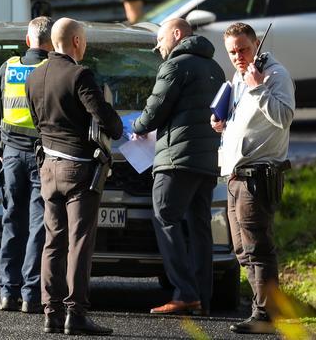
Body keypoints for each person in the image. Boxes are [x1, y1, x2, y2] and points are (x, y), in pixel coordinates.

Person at [25, 18, 122, 336]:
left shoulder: (34, 76)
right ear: (78, 42)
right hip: (79, 169)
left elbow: (37, 121)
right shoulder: (80, 75)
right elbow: (107, 121)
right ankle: (75, 314)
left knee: (52, 241)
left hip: (48, 168)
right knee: (79, 242)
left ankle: (50, 314)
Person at [132, 18, 224, 315]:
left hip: (176, 160)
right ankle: (202, 297)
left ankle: (184, 292)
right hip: (206, 161)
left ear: (176, 34)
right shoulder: (215, 68)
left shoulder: (175, 65)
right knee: (200, 227)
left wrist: (137, 126)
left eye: (160, 40)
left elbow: (155, 110)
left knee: (165, 217)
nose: (158, 47)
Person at [211, 23, 294, 335]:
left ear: (257, 43)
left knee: (258, 247)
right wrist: (224, 124)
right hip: (234, 175)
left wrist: (258, 87)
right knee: (242, 250)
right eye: (232, 51)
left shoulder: (275, 75)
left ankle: (265, 314)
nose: (238, 56)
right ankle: (270, 303)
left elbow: (284, 117)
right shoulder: (240, 75)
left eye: (243, 49)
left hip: (257, 175)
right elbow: (247, 118)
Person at [0, 16, 53, 314]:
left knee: (12, 220)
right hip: (42, 155)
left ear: (28, 41)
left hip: (11, 154)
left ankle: (7, 293)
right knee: (38, 225)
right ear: (51, 43)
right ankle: (30, 295)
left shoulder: (9, 67)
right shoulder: (51, 70)